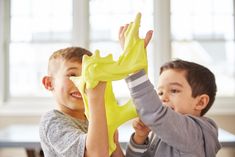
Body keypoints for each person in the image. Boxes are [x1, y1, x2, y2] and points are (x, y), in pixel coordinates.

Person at [119, 25, 221, 156]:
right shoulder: (162, 133)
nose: (162, 98)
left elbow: (155, 112)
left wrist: (133, 62)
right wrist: (140, 138)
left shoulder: (195, 132)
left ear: (200, 102)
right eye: (160, 92)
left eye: (174, 90)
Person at [39, 47, 124, 157]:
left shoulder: (95, 119)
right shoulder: (52, 121)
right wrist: (95, 98)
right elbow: (96, 155)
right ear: (49, 83)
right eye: (73, 75)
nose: (83, 83)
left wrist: (135, 139)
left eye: (87, 76)